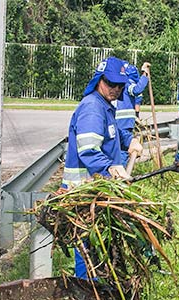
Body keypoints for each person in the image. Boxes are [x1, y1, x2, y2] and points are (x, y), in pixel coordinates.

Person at [65, 56, 132, 278]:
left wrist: (129, 141)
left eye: (119, 85)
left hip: (97, 188)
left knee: (98, 247)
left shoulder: (105, 106)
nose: (115, 89)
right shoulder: (93, 108)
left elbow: (111, 132)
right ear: (99, 80)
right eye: (110, 83)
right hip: (83, 191)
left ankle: (97, 292)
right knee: (88, 248)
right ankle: (87, 296)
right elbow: (89, 150)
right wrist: (110, 169)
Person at [115, 62, 150, 167]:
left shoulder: (118, 85)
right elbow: (137, 90)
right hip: (124, 124)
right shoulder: (128, 83)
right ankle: (122, 173)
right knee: (124, 149)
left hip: (119, 122)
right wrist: (145, 74)